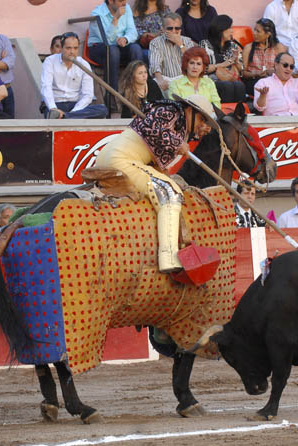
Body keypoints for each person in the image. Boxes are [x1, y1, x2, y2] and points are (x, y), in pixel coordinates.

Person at [94, 94, 218, 272]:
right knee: (169, 192)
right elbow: (151, 127)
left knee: (168, 183)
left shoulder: (177, 121)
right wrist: (177, 143)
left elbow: (152, 155)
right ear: (189, 110)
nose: (203, 125)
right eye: (201, 119)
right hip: (121, 160)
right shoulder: (171, 111)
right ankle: (169, 259)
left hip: (112, 156)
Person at [41, 32, 109, 119]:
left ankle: (65, 117)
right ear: (61, 48)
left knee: (102, 110)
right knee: (50, 113)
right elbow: (46, 87)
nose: (72, 52)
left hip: (76, 104)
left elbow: (88, 94)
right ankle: (62, 116)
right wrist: (53, 108)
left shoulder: (83, 64)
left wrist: (74, 112)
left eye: (75, 48)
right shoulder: (50, 61)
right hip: (56, 103)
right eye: (68, 48)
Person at [88, 0, 142, 91]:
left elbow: (133, 31)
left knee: (135, 48)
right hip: (98, 48)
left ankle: (138, 92)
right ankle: (112, 95)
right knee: (113, 50)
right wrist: (115, 19)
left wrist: (125, 38)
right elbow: (107, 41)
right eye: (121, 1)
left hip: (118, 46)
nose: (124, 3)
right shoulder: (97, 13)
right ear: (110, 1)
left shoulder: (126, 8)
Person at [200, 15, 246, 103]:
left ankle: (240, 114)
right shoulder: (205, 44)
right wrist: (222, 65)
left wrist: (236, 61)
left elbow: (242, 71)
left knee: (240, 85)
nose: (232, 31)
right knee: (226, 86)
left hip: (231, 78)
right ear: (220, 29)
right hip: (212, 79)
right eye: (229, 28)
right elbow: (202, 68)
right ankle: (226, 115)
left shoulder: (233, 46)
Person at [149, 12, 195, 93]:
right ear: (163, 29)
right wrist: (160, 81)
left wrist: (180, 44)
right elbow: (155, 65)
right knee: (154, 83)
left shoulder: (187, 41)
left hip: (186, 79)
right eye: (170, 28)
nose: (173, 31)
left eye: (177, 28)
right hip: (167, 81)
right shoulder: (155, 43)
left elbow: (193, 62)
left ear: (180, 29)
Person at [242, 18, 288, 96]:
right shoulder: (248, 48)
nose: (254, 33)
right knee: (264, 86)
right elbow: (243, 73)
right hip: (255, 81)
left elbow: (285, 68)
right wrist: (255, 73)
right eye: (254, 30)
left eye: (258, 31)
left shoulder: (279, 47)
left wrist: (272, 71)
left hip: (274, 80)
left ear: (268, 34)